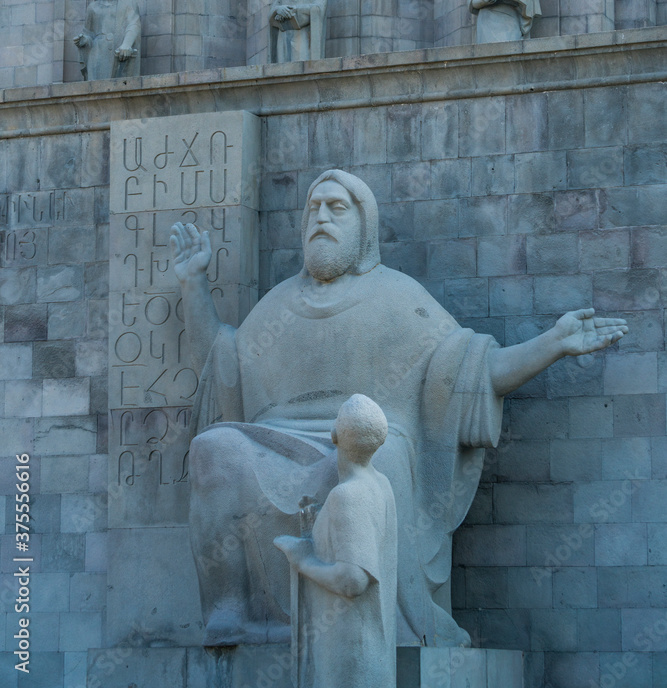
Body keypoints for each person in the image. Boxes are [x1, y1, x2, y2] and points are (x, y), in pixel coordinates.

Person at [170, 170, 627, 648]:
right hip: (277, 441)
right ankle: (235, 614)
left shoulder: (398, 297)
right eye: (313, 208)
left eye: (336, 208)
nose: (321, 217)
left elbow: (472, 370)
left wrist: (551, 344)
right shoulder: (278, 304)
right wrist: (192, 286)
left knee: (376, 460)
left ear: (363, 225)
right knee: (214, 448)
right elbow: (223, 365)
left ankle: (380, 627)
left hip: (366, 441)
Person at [274, 394, 397, 688]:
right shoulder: (381, 485)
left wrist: (302, 558)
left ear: (334, 435)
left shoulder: (347, 496)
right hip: (371, 658)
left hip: (349, 665)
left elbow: (352, 580)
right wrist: (322, 526)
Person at [73, 0, 141, 79]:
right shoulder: (93, 7)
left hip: (119, 51)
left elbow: (134, 24)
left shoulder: (128, 3)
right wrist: (84, 40)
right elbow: (89, 33)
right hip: (98, 53)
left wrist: (127, 44)